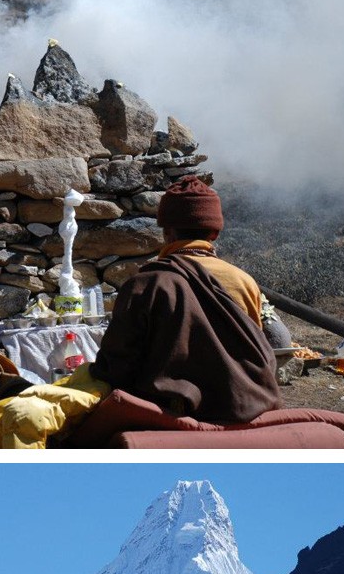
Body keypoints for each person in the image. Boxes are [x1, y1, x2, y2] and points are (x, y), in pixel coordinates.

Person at [90, 176, 283, 423]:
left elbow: (118, 365)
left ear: (167, 233)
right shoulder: (244, 281)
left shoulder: (146, 283)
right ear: (214, 232)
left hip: (172, 414)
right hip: (244, 407)